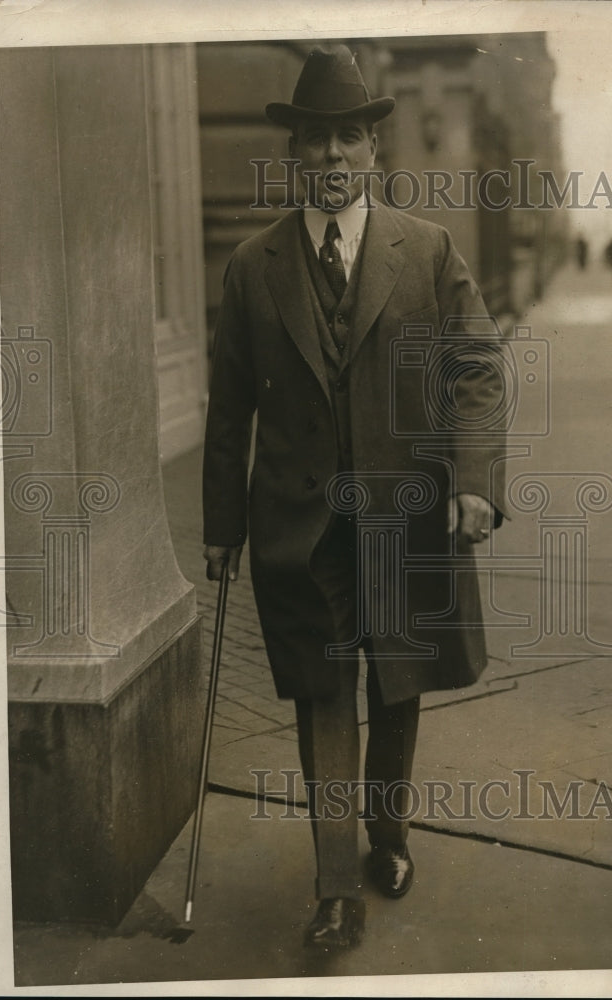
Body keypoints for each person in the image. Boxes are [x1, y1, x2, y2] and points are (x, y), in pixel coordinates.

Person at [202, 44, 508, 950]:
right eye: (314, 142)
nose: (332, 159)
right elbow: (227, 411)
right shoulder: (252, 268)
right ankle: (335, 884)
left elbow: (478, 368)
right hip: (299, 526)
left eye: (347, 140)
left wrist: (473, 482)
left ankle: (389, 831)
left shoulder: (429, 250)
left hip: (404, 512)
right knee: (322, 692)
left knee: (398, 682)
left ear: (373, 151)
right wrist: (221, 527)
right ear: (293, 154)